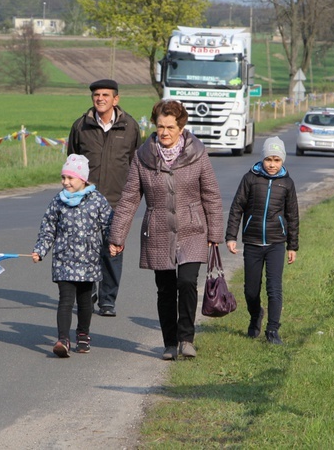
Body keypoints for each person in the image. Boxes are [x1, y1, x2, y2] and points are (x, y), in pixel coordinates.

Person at [108, 99, 223, 360]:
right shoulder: (143, 158)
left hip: (192, 229)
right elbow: (128, 198)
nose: (165, 132)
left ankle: (187, 338)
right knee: (166, 289)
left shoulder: (198, 154)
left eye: (170, 127)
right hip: (158, 231)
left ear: (181, 127)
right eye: (160, 126)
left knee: (187, 281)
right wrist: (117, 237)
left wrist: (215, 234)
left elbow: (212, 195)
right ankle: (170, 343)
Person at [67, 79, 141, 318]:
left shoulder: (130, 126)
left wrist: (134, 196)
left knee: (112, 251)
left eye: (105, 95)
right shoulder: (81, 126)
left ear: (115, 99)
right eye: (96, 95)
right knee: (85, 250)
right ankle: (88, 292)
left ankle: (107, 300)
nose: (100, 98)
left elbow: (136, 164)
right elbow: (72, 163)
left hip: (117, 201)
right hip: (85, 201)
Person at [31, 154, 113, 357]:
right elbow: (48, 228)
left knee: (85, 302)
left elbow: (109, 224)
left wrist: (113, 243)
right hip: (63, 260)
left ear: (83, 179)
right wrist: (41, 250)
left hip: (88, 262)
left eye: (70, 178)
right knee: (65, 300)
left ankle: (83, 334)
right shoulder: (58, 202)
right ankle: (63, 339)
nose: (65, 182)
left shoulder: (97, 201)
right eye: (63, 177)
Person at [225, 136, 299, 345]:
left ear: (282, 160)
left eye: (277, 160)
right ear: (262, 159)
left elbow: (293, 215)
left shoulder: (287, 183)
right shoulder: (250, 179)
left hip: (276, 243)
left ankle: (273, 330)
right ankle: (256, 315)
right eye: (269, 159)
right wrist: (231, 236)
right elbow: (237, 207)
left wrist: (292, 245)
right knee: (250, 290)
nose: (272, 165)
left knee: (274, 287)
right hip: (253, 242)